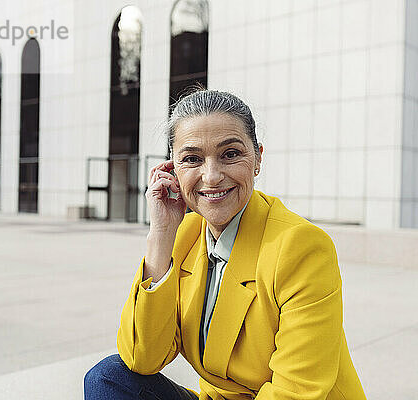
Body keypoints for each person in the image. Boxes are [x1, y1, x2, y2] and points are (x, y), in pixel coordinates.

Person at [84, 90, 367, 400]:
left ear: (258, 158)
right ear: (173, 170)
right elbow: (142, 357)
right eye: (192, 159)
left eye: (230, 154)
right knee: (108, 378)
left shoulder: (301, 246)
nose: (212, 176)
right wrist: (161, 238)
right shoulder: (185, 234)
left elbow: (295, 392)